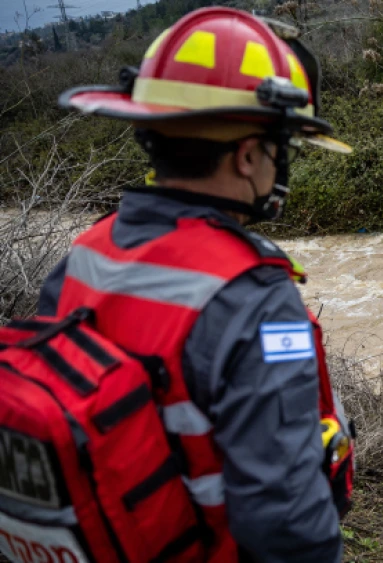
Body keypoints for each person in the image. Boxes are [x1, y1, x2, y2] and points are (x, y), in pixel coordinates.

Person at [38, 7, 354, 561]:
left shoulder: (84, 256)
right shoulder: (255, 297)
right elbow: (286, 525)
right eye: (283, 149)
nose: (283, 168)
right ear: (248, 154)